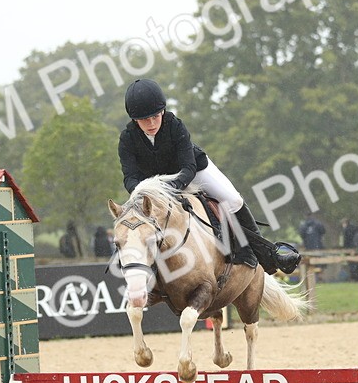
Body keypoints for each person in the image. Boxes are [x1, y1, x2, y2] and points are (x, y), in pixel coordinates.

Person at [117, 78, 298, 274]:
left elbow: (188, 167)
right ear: (135, 120)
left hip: (193, 172)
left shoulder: (175, 126)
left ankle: (261, 254)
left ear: (162, 112)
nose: (151, 123)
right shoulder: (127, 139)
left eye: (155, 116)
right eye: (145, 119)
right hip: (155, 186)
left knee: (233, 199)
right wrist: (144, 192)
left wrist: (170, 188)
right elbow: (130, 177)